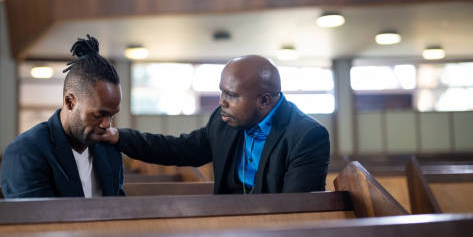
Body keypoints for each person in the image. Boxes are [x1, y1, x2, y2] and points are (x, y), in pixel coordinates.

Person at [99, 55, 330, 194]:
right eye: (221, 92)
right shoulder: (223, 121)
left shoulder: (307, 136)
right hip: (226, 225)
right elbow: (179, 148)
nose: (222, 102)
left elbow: (299, 209)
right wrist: (121, 137)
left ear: (264, 101)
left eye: (231, 95)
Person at [1, 35, 125, 198]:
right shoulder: (26, 152)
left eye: (111, 115)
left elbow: (118, 209)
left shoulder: (108, 149)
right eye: (99, 114)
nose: (107, 125)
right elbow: (35, 220)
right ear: (70, 102)